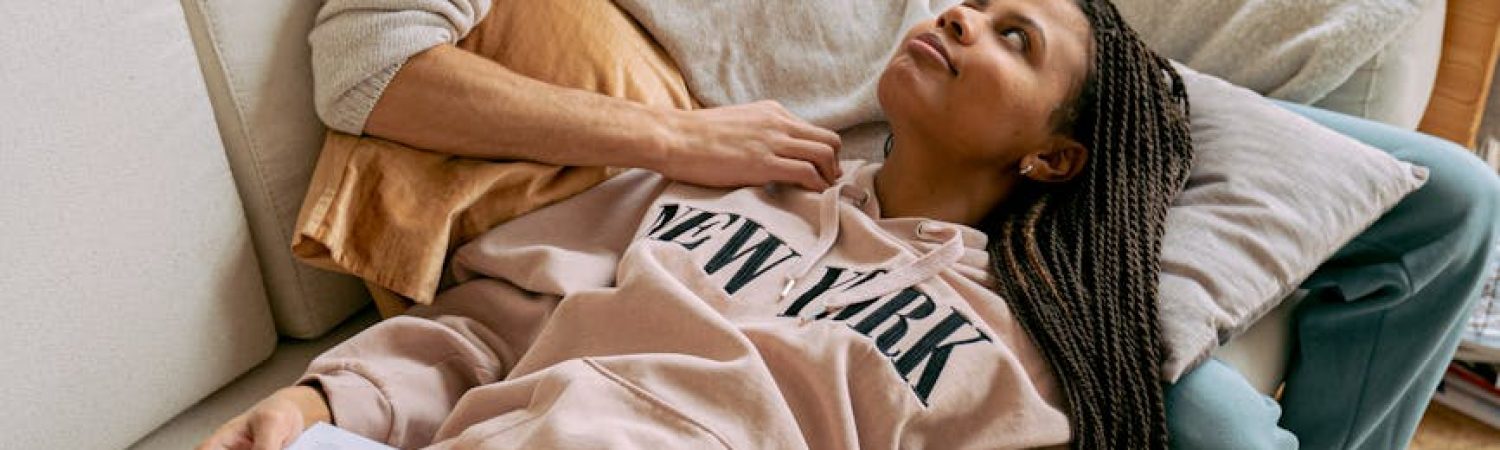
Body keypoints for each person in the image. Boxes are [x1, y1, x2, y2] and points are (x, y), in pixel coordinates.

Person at [206, 0, 1500, 448]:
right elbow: (480, 329)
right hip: (754, 153)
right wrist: (330, 401)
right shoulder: (681, 197)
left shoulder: (1023, 342)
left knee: (1451, 195)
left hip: (1014, 150)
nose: (957, 20)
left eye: (1002, 24)